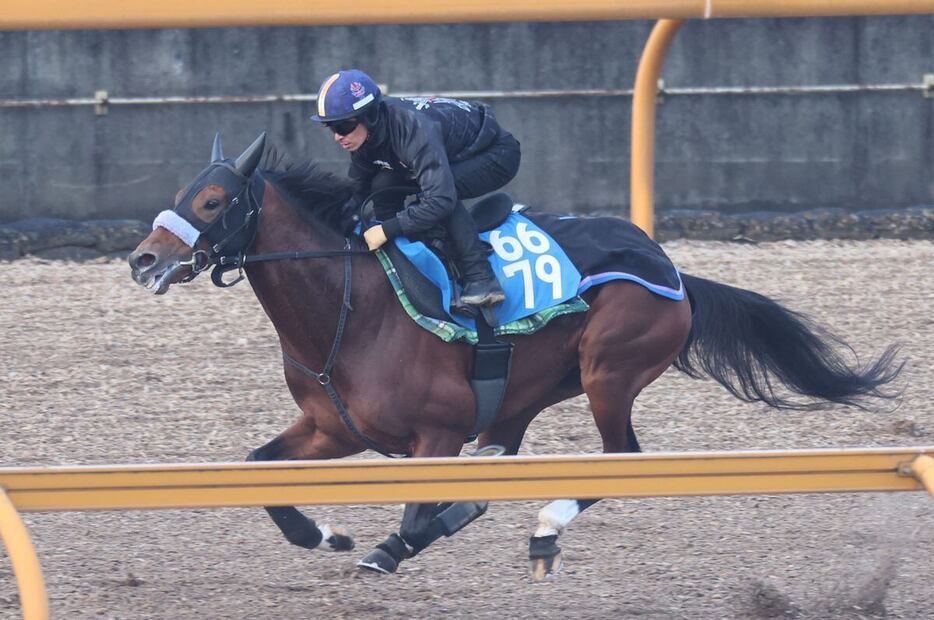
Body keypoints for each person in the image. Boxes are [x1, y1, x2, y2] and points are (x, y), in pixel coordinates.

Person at [310, 69, 521, 313]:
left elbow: (441, 200)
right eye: (331, 128)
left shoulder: (411, 129)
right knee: (382, 185)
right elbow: (357, 192)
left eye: (343, 126)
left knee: (438, 195)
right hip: (447, 153)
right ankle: (400, 263)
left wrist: (388, 228)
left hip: (496, 155)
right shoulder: (365, 137)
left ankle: (481, 278)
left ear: (369, 117)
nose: (338, 136)